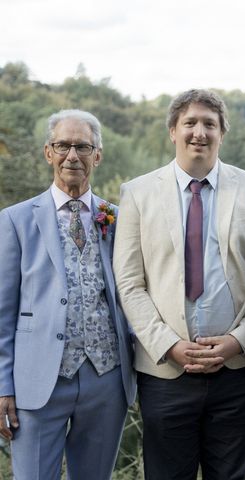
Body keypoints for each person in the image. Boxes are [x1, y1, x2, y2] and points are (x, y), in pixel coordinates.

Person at [113, 89, 245, 480]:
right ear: (173, 131)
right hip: (166, 373)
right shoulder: (137, 193)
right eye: (190, 123)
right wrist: (169, 346)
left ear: (222, 133)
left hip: (238, 371)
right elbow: (130, 282)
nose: (199, 132)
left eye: (209, 124)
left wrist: (240, 340)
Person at [0, 110, 136, 479]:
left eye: (82, 147)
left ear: (98, 155)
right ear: (48, 152)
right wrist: (2, 386)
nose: (72, 155)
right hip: (36, 379)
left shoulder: (118, 219)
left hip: (106, 379)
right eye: (63, 146)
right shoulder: (15, 220)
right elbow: (2, 312)